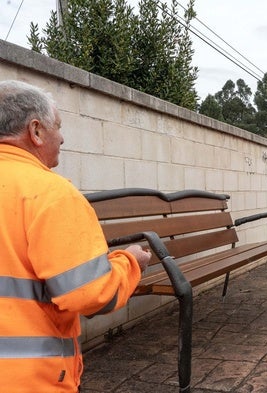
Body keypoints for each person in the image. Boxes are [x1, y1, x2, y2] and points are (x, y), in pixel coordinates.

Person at [0, 80, 152, 392]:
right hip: (29, 380)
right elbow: (92, 294)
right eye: (58, 126)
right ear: (36, 131)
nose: (63, 137)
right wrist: (130, 262)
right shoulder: (50, 193)